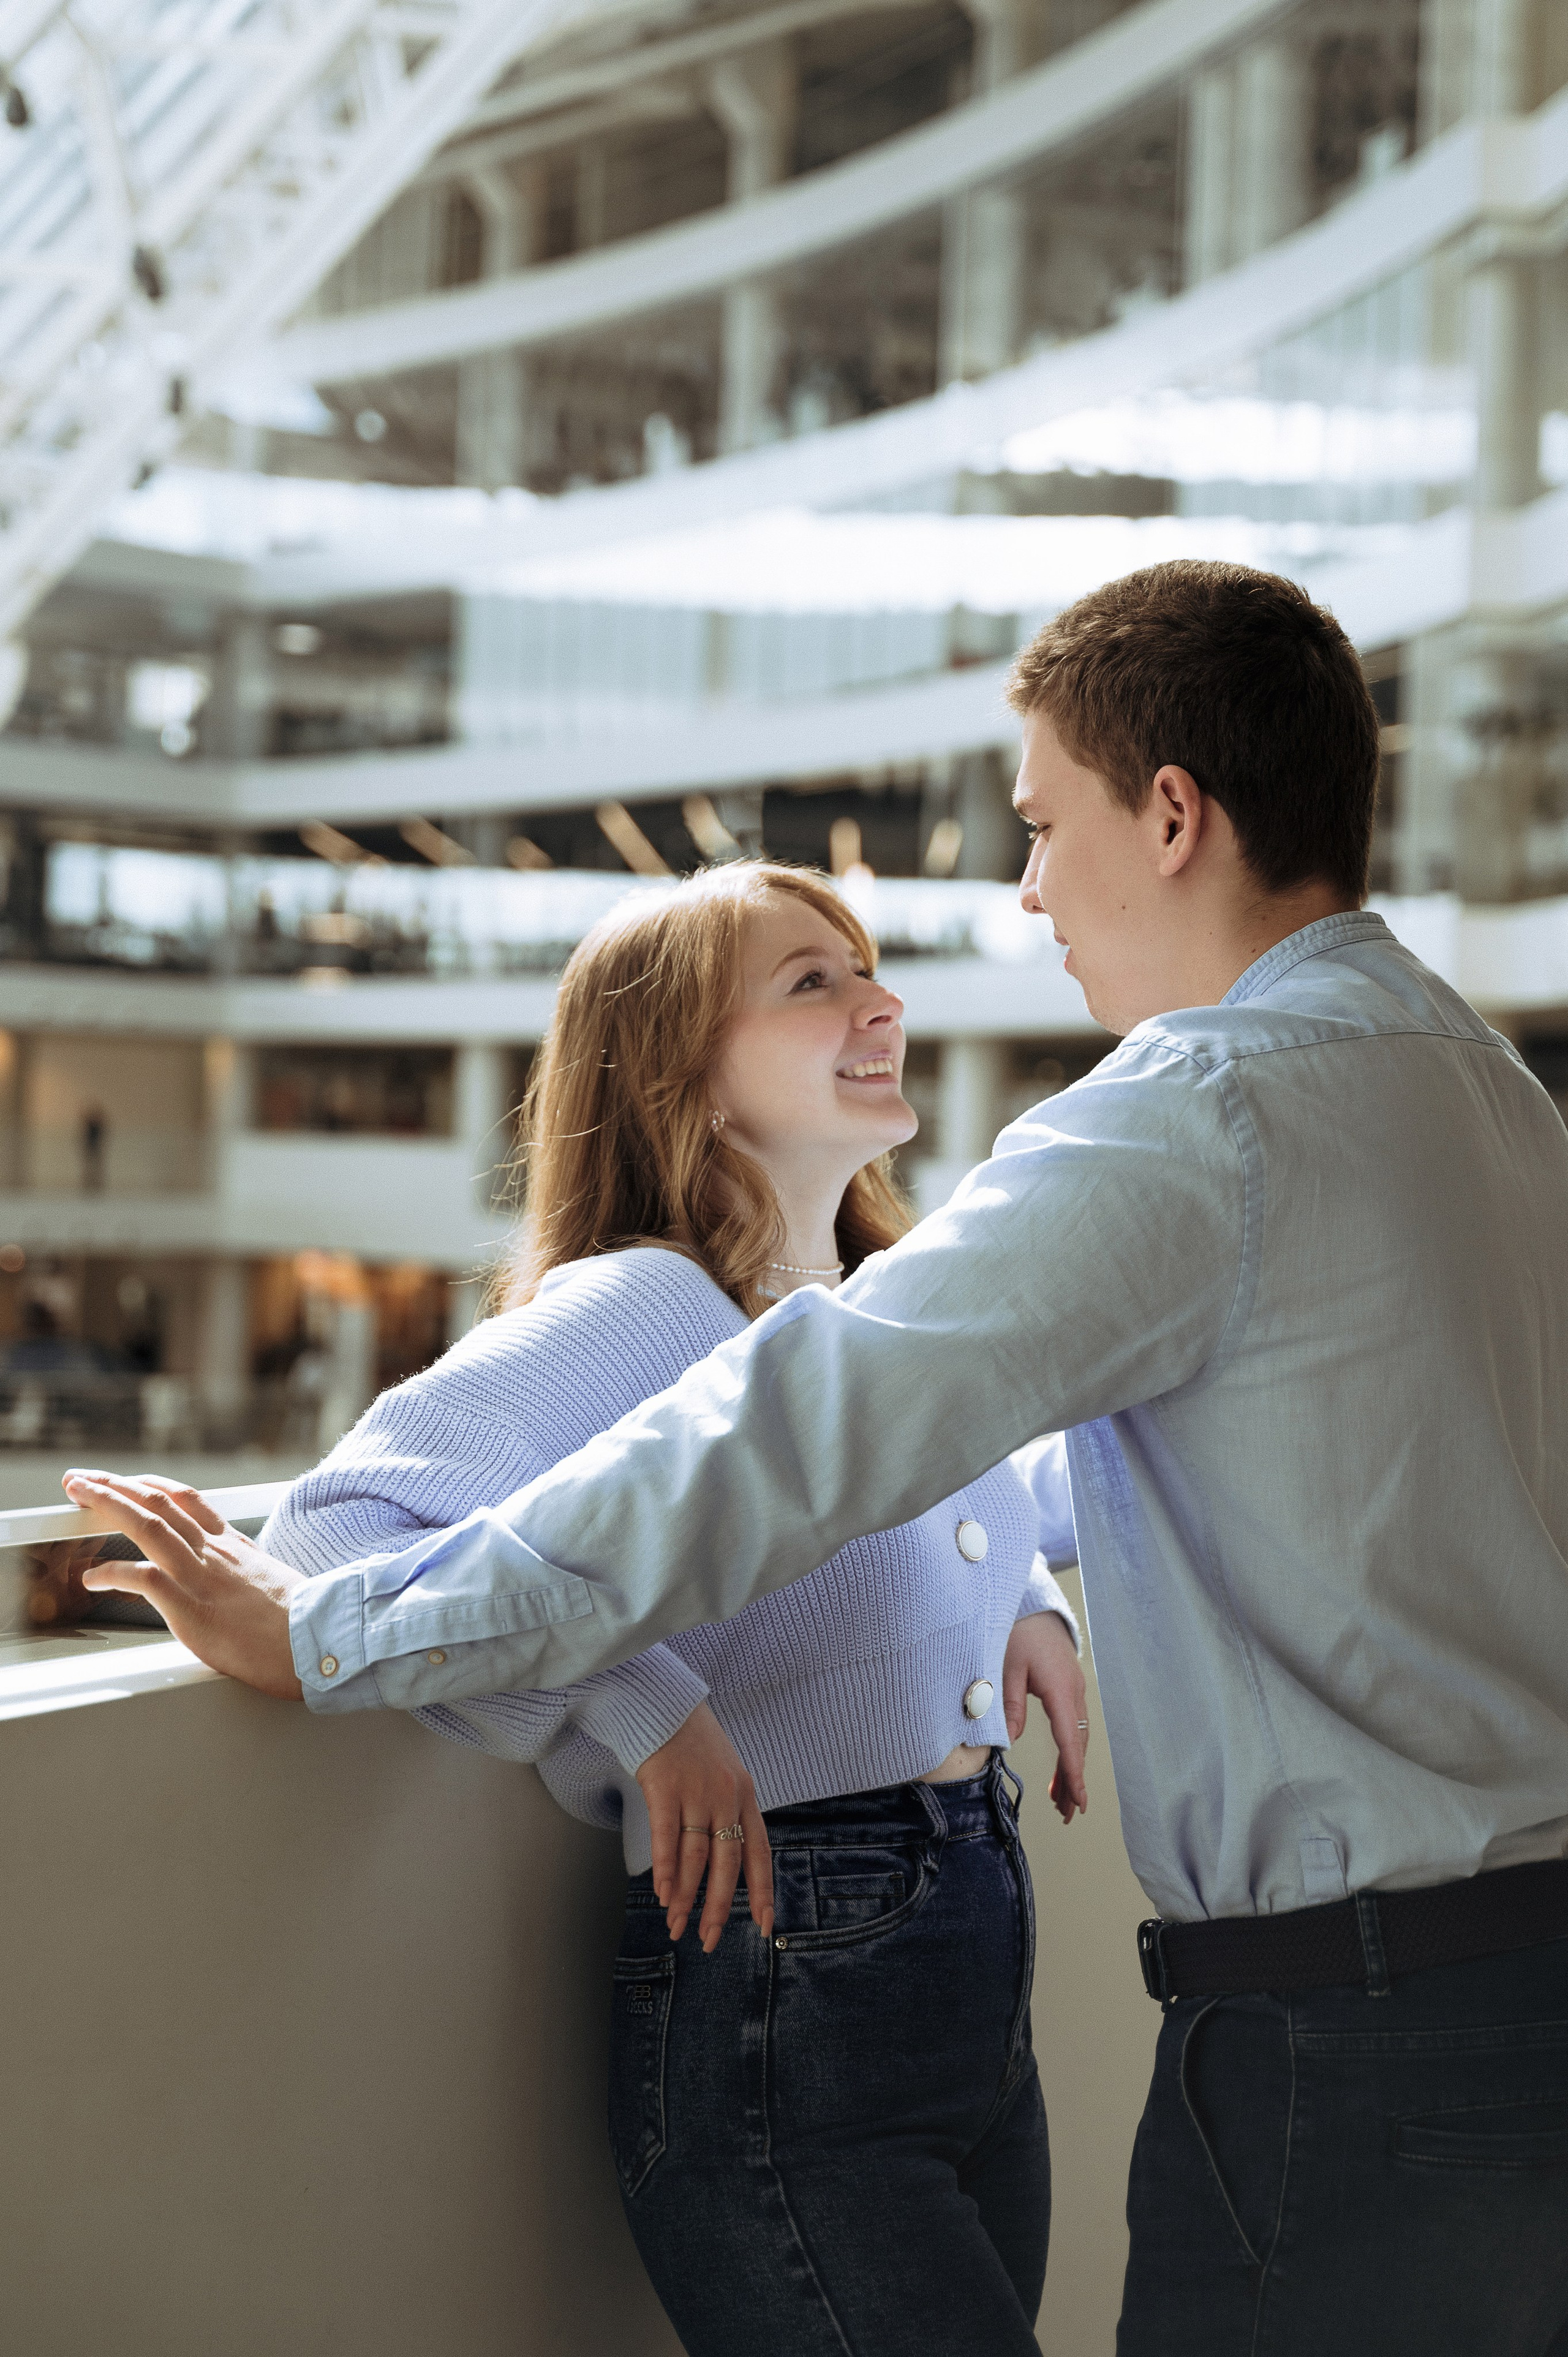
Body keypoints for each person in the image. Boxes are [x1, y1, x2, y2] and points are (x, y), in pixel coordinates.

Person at [70, 559, 1568, 2355]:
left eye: (1043, 821)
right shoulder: (1489, 1097)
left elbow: (781, 1444)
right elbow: (1297, 1463)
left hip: (1356, 2046)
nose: (1027, 886)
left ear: (1170, 817)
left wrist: (330, 1636)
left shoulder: (1204, 1118)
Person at [161, 861, 1089, 2357]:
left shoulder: (865, 1303)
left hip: (960, 1946)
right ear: (683, 1075)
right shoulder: (646, 1306)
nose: (881, 1003)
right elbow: (345, 1530)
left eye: (866, 969)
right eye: (811, 983)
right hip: (798, 1965)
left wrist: (1021, 1598)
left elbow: (979, 1497)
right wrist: (640, 1703)